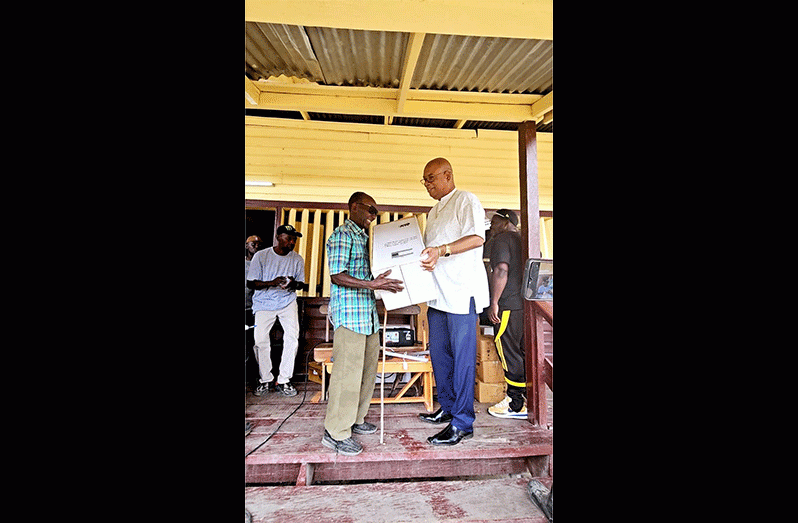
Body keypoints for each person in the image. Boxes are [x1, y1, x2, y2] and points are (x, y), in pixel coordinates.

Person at [322, 192, 404, 456]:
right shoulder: (342, 235)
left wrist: (374, 279)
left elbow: (358, 275)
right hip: (350, 315)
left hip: (367, 315)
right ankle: (335, 432)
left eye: (375, 213)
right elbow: (337, 276)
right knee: (347, 375)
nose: (372, 216)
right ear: (354, 207)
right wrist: (373, 284)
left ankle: (356, 419)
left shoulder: (362, 237)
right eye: (370, 210)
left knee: (367, 372)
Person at [418, 157, 489, 446]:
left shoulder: (466, 200)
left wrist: (443, 249)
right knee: (440, 355)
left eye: (431, 178)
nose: (427, 185)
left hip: (461, 294)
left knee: (461, 360)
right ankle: (447, 407)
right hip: (437, 296)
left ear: (448, 175)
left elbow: (477, 238)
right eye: (424, 181)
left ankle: (463, 422)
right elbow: (428, 253)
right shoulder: (433, 212)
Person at [246, 224, 306, 397]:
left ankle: (284, 379)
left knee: (292, 338)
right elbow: (251, 283)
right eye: (289, 238)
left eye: (294, 239)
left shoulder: (297, 259)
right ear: (278, 237)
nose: (292, 242)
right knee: (260, 341)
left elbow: (301, 284)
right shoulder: (261, 256)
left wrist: (293, 284)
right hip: (263, 304)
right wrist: (273, 282)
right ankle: (265, 379)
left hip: (287, 302)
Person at [485, 209, 527, 420]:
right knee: (521, 350)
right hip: (524, 304)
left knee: (507, 349)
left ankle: (516, 402)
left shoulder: (502, 239)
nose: (491, 226)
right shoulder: (523, 238)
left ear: (506, 222)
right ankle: (527, 397)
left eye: (494, 222)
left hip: (508, 303)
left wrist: (494, 302)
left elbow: (501, 270)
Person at [245, 234, 263, 437]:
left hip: (255, 308)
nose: (255, 245)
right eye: (252, 243)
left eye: (258, 243)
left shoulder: (264, 261)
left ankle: (257, 380)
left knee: (255, 344)